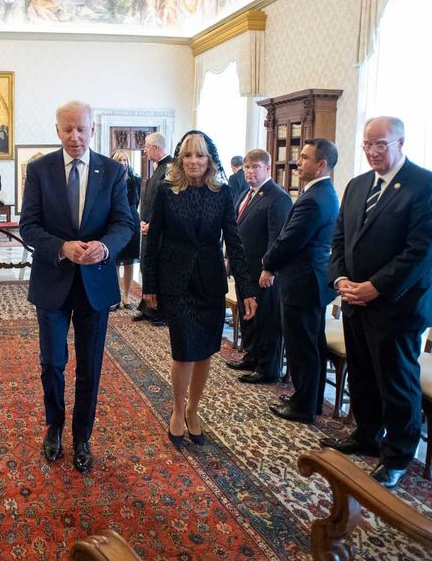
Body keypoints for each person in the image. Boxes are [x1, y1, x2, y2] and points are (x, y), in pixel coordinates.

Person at [323, 116, 432, 489]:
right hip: (354, 301)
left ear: (400, 142)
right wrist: (341, 279)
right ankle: (366, 434)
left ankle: (396, 456)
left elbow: (421, 252)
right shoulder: (358, 184)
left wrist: (375, 287)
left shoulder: (426, 186)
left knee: (396, 382)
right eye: (367, 145)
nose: (373, 152)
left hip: (397, 307)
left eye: (381, 144)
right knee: (362, 373)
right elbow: (339, 238)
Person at [19, 101, 134, 473]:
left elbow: (124, 224)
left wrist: (105, 247)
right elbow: (29, 226)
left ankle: (81, 436)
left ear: (92, 130)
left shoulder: (113, 171)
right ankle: (54, 426)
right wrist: (62, 248)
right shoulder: (39, 170)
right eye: (67, 129)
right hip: (52, 281)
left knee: (90, 367)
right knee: (52, 362)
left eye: (81, 129)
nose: (75, 136)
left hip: (95, 284)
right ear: (57, 131)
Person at [142, 131, 257, 448]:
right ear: (180, 159)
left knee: (206, 350)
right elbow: (153, 242)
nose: (194, 161)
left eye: (200, 155)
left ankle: (194, 410)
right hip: (175, 282)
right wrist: (148, 284)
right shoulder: (167, 193)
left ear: (210, 160)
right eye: (188, 155)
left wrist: (246, 289)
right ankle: (177, 411)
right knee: (183, 350)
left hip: (209, 283)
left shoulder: (221, 194)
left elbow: (234, 243)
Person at [261, 139, 339, 423]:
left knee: (302, 348)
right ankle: (309, 400)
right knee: (310, 345)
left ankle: (303, 406)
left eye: (304, 158)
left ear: (321, 165)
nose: (298, 162)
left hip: (303, 283)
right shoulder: (321, 193)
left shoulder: (316, 199)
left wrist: (268, 264)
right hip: (310, 281)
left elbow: (289, 240)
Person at [225, 148, 291, 384]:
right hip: (245, 271)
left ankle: (267, 367)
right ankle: (252, 356)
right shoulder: (246, 194)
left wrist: (269, 269)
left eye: (255, 167)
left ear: (267, 168)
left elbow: (277, 238)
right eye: (247, 167)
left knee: (265, 320)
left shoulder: (278, 197)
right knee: (248, 317)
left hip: (263, 273)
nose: (250, 172)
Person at [134, 132, 172, 325]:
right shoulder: (158, 167)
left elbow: (167, 203)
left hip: (159, 230)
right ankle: (148, 308)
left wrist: (154, 224)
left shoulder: (171, 168)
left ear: (156, 147)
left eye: (147, 147)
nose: (145, 151)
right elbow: (149, 199)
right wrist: (143, 220)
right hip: (147, 226)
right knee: (146, 265)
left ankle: (160, 311)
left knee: (158, 268)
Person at [111, 149, 141, 310]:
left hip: (132, 221)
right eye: (120, 160)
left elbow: (136, 202)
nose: (123, 163)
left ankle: (126, 296)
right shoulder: (109, 180)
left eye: (125, 160)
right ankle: (115, 297)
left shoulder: (135, 180)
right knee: (115, 261)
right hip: (115, 223)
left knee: (130, 261)